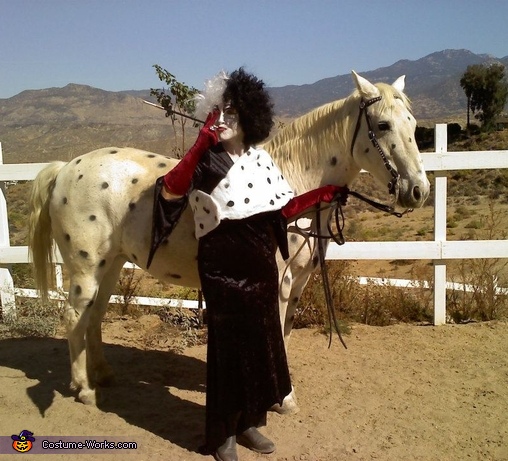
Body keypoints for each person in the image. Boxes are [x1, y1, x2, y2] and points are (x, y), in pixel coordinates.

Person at [148, 68, 346, 461]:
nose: (222, 120)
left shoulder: (261, 159)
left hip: (259, 267)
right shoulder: (205, 160)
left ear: (250, 117)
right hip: (222, 268)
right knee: (228, 353)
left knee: (260, 346)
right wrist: (199, 143)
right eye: (217, 112)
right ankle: (221, 435)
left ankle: (249, 424)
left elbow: (283, 209)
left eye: (231, 113)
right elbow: (171, 189)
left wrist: (322, 193)